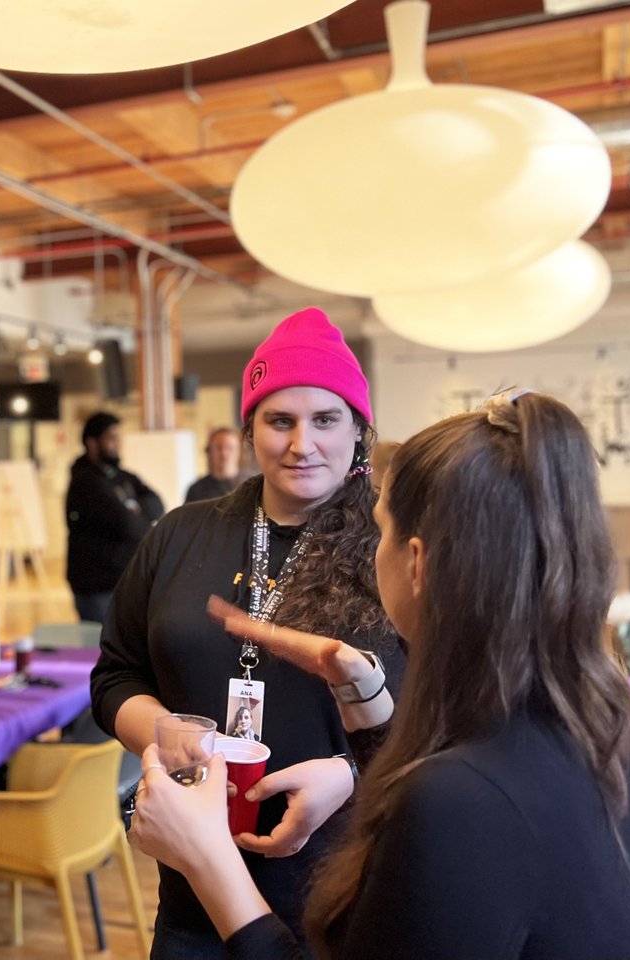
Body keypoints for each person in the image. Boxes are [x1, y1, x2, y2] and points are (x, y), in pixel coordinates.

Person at [129, 389, 630, 960]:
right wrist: (366, 701)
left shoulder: (457, 801)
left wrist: (208, 860)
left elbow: (447, 810)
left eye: (380, 531)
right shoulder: (602, 741)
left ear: (418, 563)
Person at [91, 307, 404, 958]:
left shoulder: (395, 549)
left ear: (358, 430)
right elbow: (116, 675)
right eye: (279, 420)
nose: (301, 444)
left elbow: (446, 714)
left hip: (345, 885)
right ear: (250, 426)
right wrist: (165, 731)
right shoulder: (181, 534)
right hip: (193, 884)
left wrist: (351, 772)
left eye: (325, 420)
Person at [66, 411, 164, 623]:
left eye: (118, 437)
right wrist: (134, 512)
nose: (117, 443)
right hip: (97, 587)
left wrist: (136, 512)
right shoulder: (85, 482)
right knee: (101, 649)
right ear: (92, 443)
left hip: (123, 582)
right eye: (111, 438)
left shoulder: (121, 476)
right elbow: (128, 525)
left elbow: (157, 503)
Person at [185, 426, 247, 503]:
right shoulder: (196, 490)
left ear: (239, 451)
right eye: (218, 448)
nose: (224, 453)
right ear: (209, 451)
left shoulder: (253, 486)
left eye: (230, 448)